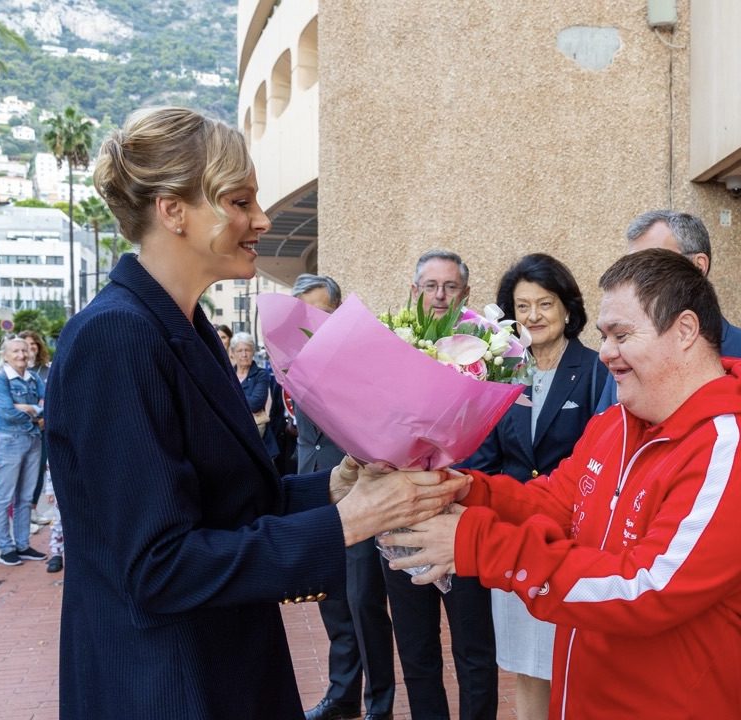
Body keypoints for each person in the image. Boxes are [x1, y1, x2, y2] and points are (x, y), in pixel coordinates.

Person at [45, 106, 466, 720]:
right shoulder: (117, 338)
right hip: (166, 685)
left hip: (223, 668)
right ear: (173, 210)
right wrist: (349, 522)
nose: (261, 220)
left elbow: (228, 504)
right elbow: (157, 568)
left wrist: (337, 487)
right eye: (239, 201)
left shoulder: (183, 329)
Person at [385, 249, 741, 719]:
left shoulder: (734, 446)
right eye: (604, 336)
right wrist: (462, 489)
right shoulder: (617, 422)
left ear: (684, 331)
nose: (604, 352)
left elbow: (646, 588)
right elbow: (557, 502)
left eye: (621, 335)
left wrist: (480, 544)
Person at [457, 253, 607, 720]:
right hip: (516, 534)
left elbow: (599, 454)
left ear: (567, 309)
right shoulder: (503, 371)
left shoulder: (596, 368)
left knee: (574, 659)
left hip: (569, 539)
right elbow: (487, 457)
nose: (533, 316)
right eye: (523, 306)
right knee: (527, 665)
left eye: (545, 304)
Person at [380, 248, 498, 720]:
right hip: (401, 522)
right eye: (430, 285)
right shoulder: (392, 349)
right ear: (415, 291)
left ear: (465, 295)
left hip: (460, 521)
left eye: (450, 287)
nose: (439, 295)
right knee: (416, 651)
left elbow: (492, 437)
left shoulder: (487, 355)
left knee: (474, 651)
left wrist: (454, 481)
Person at [293, 273, 396, 720]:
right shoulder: (293, 361)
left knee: (363, 603)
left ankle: (381, 705)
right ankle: (342, 696)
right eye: (305, 314)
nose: (313, 323)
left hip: (356, 494)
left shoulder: (365, 363)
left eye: (321, 312)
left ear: (338, 312)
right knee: (332, 603)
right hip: (316, 491)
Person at [594, 210, 741, 418]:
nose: (635, 277)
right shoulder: (621, 353)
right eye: (631, 265)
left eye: (652, 265)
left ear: (699, 266)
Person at [0, 337, 48, 567]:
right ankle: (5, 548)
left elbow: (49, 401)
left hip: (32, 441)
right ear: (5, 355)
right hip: (8, 442)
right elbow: (6, 411)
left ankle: (22, 545)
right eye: (15, 351)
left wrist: (30, 408)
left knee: (25, 497)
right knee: (3, 498)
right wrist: (36, 417)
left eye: (24, 350)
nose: (21, 355)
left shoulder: (32, 378)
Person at [18, 329, 53, 524]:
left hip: (42, 428)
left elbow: (52, 397)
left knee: (39, 469)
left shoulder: (47, 369)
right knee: (20, 472)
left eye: (33, 345)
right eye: (25, 346)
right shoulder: (14, 371)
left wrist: (45, 417)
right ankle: (20, 516)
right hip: (19, 430)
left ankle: (32, 510)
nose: (29, 350)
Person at [230, 331, 279, 459]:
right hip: (234, 440)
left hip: (260, 440)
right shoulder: (228, 375)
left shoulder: (261, 374)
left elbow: (255, 404)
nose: (244, 354)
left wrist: (231, 400)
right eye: (240, 351)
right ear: (233, 353)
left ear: (253, 352)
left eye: (247, 350)